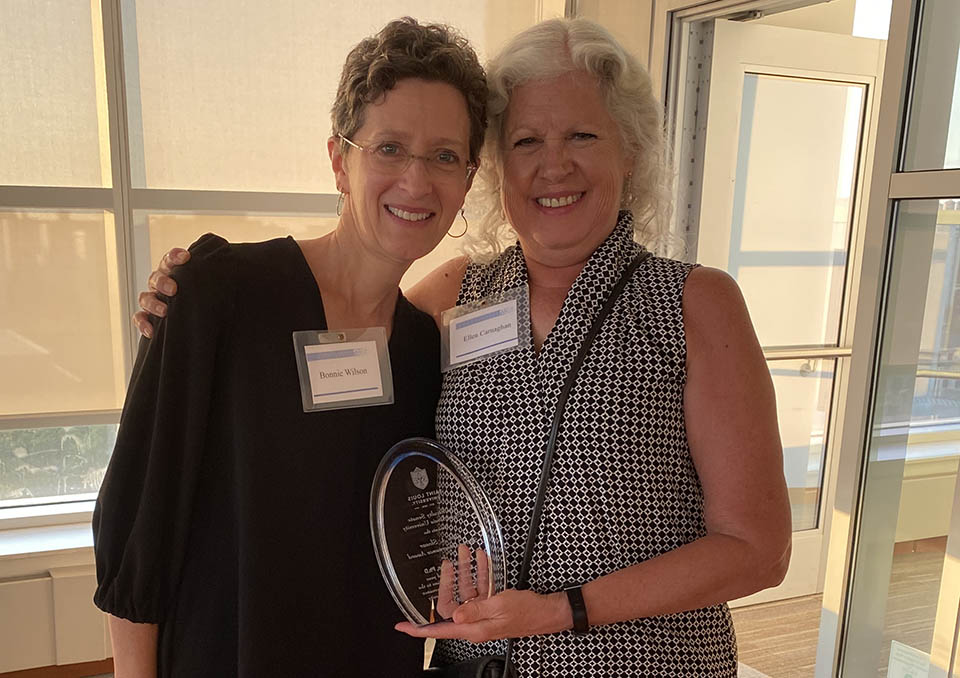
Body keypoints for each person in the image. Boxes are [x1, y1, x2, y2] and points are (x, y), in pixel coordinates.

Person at [135, 18, 792, 677]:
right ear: (499, 168)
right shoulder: (456, 293)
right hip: (467, 665)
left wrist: (562, 609)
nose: (553, 164)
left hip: (645, 665)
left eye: (583, 135)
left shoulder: (692, 303)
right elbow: (318, 367)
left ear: (631, 151)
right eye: (527, 140)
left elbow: (757, 548)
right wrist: (191, 304)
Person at [94, 17, 487, 678]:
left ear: (469, 177)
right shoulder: (221, 296)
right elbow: (140, 518)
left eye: (445, 155)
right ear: (340, 159)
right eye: (389, 148)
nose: (418, 182)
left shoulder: (424, 354)